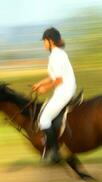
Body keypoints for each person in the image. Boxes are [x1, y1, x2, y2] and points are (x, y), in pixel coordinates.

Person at [32, 27, 77, 164]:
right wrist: (39, 83)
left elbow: (58, 80)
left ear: (50, 41)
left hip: (64, 91)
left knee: (44, 119)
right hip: (64, 89)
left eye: (44, 41)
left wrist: (45, 89)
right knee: (45, 116)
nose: (43, 44)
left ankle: (54, 152)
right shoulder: (58, 54)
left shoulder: (56, 56)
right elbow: (53, 77)